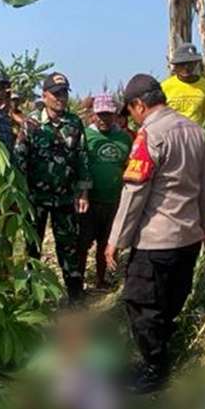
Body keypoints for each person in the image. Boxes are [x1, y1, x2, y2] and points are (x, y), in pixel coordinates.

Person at [105, 74, 205, 394]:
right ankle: (163, 351)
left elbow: (134, 192)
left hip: (156, 240)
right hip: (188, 237)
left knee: (141, 303)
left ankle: (155, 367)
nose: (134, 117)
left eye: (132, 110)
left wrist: (116, 240)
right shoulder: (196, 132)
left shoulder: (150, 135)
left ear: (140, 105)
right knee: (170, 299)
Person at [14, 72, 91, 304]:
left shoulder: (74, 123)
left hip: (65, 198)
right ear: (44, 95)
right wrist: (20, 196)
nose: (61, 98)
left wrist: (83, 191)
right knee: (32, 248)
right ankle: (33, 297)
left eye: (64, 93)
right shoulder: (31, 124)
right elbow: (20, 160)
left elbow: (82, 159)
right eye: (56, 94)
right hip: (35, 198)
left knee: (69, 247)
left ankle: (75, 296)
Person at [78, 93, 132, 290]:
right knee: (83, 243)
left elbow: (129, 165)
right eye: (100, 115)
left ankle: (102, 279)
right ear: (93, 115)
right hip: (89, 200)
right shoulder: (85, 136)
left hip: (114, 200)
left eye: (108, 115)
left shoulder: (124, 138)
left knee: (107, 243)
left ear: (115, 115)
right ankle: (79, 282)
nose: (103, 119)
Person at [160, 43, 205, 128]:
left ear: (195, 64)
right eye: (182, 64)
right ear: (175, 66)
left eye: (190, 63)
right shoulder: (165, 86)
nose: (186, 67)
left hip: (195, 135)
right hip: (171, 135)